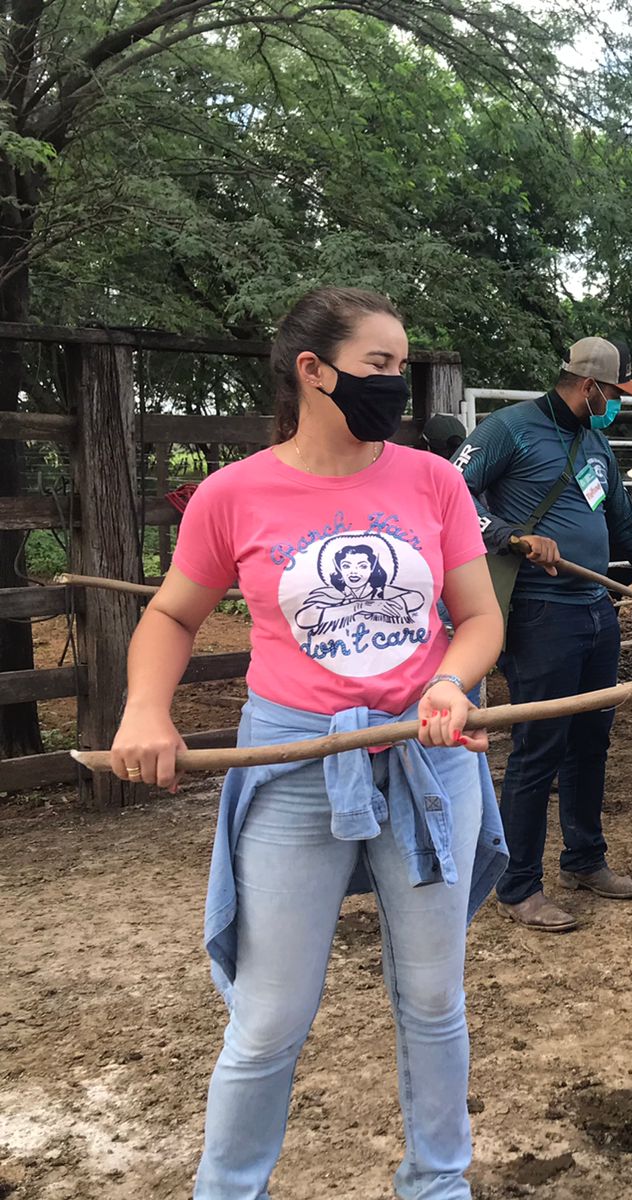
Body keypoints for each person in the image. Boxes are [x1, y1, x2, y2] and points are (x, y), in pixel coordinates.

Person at [109, 287, 507, 1199]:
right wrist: (146, 709)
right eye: (379, 365)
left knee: (434, 998)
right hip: (292, 765)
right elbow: (172, 615)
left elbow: (480, 617)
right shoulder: (233, 493)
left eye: (402, 366)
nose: (396, 383)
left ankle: (439, 1182)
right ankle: (228, 1189)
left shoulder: (434, 481)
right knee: (268, 1015)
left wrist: (452, 682)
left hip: (427, 753)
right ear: (313, 371)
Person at [454, 337, 632, 932]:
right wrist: (510, 536)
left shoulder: (596, 443)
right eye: (615, 395)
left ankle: (585, 859)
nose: (619, 406)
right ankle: (518, 883)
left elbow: (627, 526)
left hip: (595, 609)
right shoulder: (508, 430)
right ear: (590, 387)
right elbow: (452, 494)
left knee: (591, 741)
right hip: (540, 613)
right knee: (539, 746)